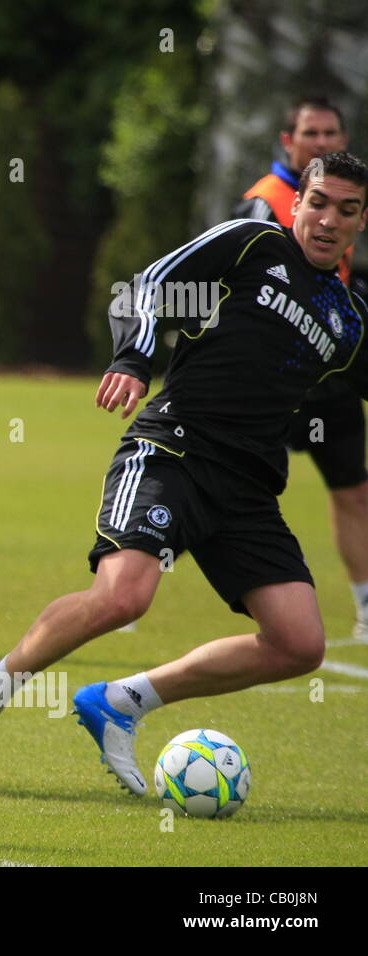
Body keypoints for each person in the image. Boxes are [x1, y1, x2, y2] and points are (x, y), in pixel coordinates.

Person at [0, 152, 368, 795]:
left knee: (299, 642)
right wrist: (136, 359)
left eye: (347, 209)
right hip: (174, 447)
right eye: (318, 202)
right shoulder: (252, 243)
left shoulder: (348, 322)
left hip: (248, 486)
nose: (328, 219)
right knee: (124, 596)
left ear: (363, 220)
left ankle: (122, 702)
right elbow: (148, 286)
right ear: (297, 202)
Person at [235, 96, 368, 641]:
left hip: (329, 376)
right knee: (235, 485)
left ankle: (365, 607)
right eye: (310, 133)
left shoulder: (348, 199)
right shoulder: (265, 204)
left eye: (330, 132)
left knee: (355, 490)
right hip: (275, 380)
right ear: (288, 141)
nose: (322, 141)